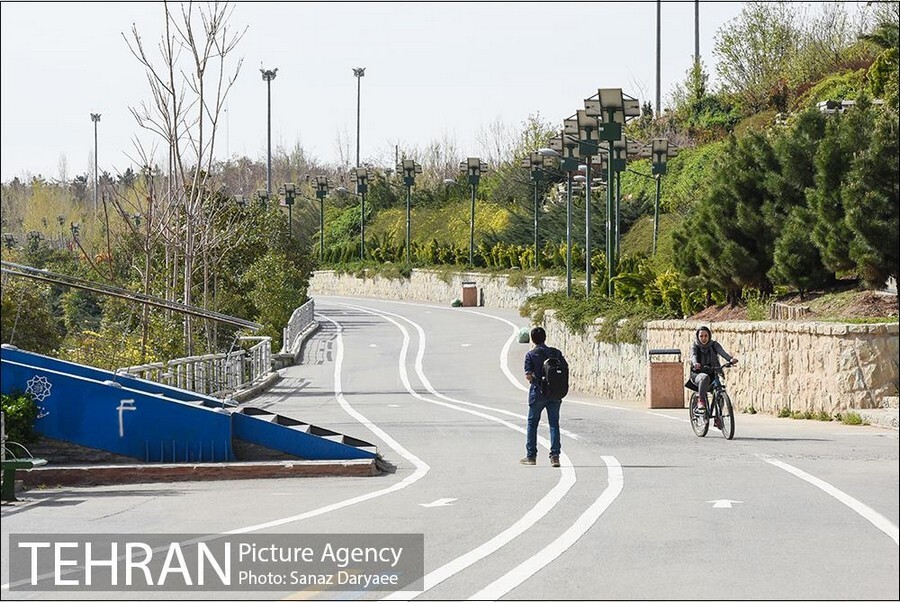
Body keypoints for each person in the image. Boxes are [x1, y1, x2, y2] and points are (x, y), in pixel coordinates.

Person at [521, 326, 568, 468]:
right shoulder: (556, 353)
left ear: (533, 339)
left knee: (532, 423)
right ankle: (555, 457)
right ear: (545, 337)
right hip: (555, 392)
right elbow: (565, 369)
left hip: (538, 393)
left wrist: (535, 378)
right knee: (554, 424)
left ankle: (531, 456)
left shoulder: (531, 355)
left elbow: (528, 375)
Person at [689, 326, 738, 414]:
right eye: (701, 336)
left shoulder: (714, 344)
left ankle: (718, 417)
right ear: (698, 337)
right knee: (704, 377)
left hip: (712, 372)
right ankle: (701, 401)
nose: (704, 338)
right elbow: (693, 356)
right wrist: (695, 363)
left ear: (709, 336)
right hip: (698, 373)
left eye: (706, 336)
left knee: (719, 391)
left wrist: (730, 359)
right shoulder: (695, 346)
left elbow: (722, 352)